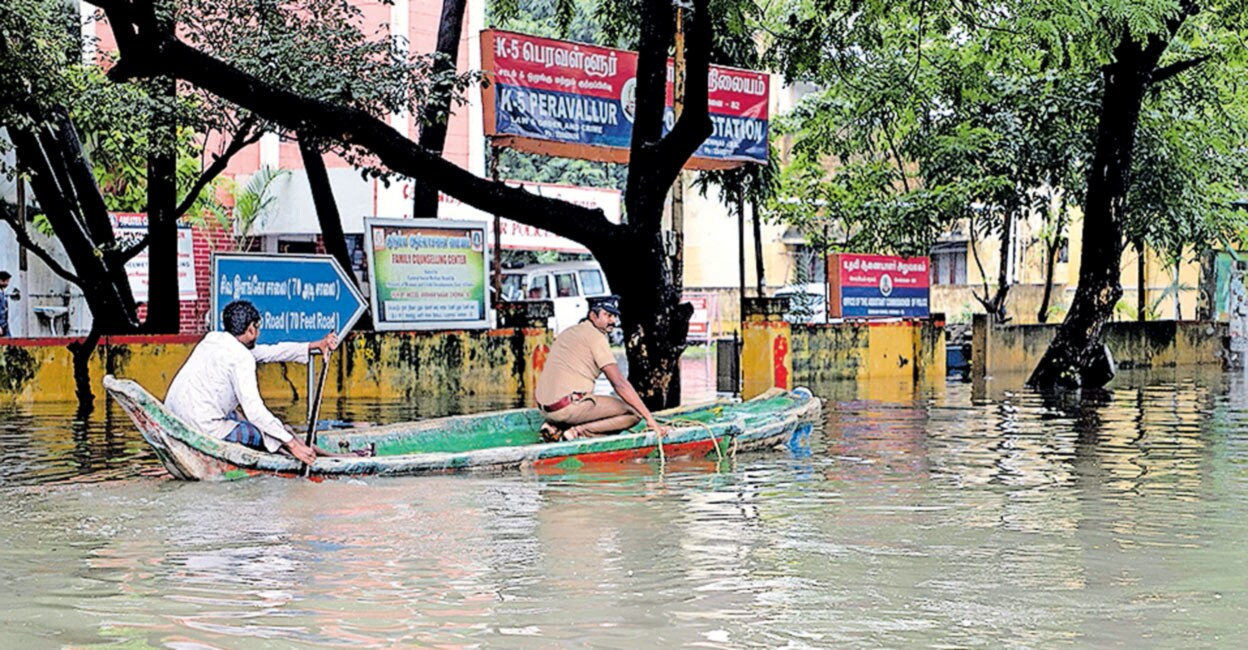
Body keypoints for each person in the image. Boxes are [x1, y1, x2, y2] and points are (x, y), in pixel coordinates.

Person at [164, 300, 338, 464]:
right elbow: (255, 411)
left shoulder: (212, 339)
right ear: (251, 330)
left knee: (272, 428)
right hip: (204, 428)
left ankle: (328, 455)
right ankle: (312, 455)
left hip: (177, 419)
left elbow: (272, 352)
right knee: (273, 434)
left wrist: (317, 344)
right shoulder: (241, 358)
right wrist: (292, 444)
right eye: (257, 327)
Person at [534, 295, 669, 441]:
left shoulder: (569, 331)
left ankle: (555, 427)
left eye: (614, 316)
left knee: (593, 402)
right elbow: (619, 384)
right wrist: (650, 419)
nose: (612, 321)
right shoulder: (596, 337)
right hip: (567, 409)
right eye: (607, 315)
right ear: (593, 315)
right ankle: (578, 432)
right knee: (634, 413)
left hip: (545, 409)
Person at [0, 271, 20, 337]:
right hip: (1, 324)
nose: (7, 283)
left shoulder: (2, 292)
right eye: (5, 281)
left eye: (8, 281)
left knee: (9, 343)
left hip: (4, 324)